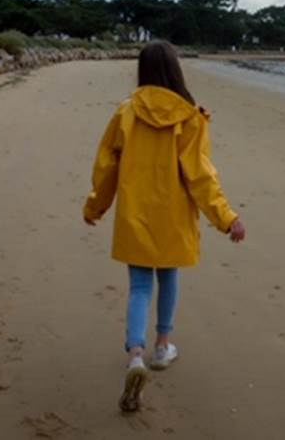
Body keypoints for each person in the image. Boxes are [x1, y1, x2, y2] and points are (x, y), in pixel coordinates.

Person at [82, 40, 246, 413]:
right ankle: (162, 346)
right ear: (176, 71)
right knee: (168, 277)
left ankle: (135, 355)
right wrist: (226, 218)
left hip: (135, 214)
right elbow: (201, 177)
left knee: (140, 286)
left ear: (142, 70)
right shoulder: (190, 118)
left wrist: (95, 206)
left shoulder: (126, 112)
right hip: (172, 217)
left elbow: (106, 166)